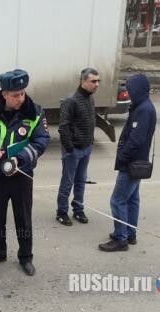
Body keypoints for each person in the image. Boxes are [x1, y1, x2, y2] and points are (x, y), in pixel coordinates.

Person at [0, 69, 50, 276]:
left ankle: (26, 257)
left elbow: (41, 141)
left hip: (21, 176)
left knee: (23, 218)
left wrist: (21, 158)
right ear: (4, 94)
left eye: (23, 93)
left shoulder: (35, 113)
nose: (21, 98)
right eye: (16, 94)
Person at [99, 73, 156, 252]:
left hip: (132, 164)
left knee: (117, 201)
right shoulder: (142, 106)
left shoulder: (144, 110)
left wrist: (122, 156)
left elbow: (136, 140)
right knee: (132, 199)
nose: (129, 93)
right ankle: (130, 233)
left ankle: (121, 238)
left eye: (131, 90)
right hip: (136, 163)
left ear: (138, 90)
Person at [55, 67, 100, 226]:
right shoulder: (71, 100)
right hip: (73, 151)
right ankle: (61, 212)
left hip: (86, 148)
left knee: (81, 181)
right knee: (67, 182)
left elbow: (90, 121)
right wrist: (70, 148)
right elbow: (63, 127)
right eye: (93, 81)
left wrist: (90, 141)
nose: (97, 84)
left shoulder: (90, 98)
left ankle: (78, 210)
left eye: (98, 81)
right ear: (83, 81)